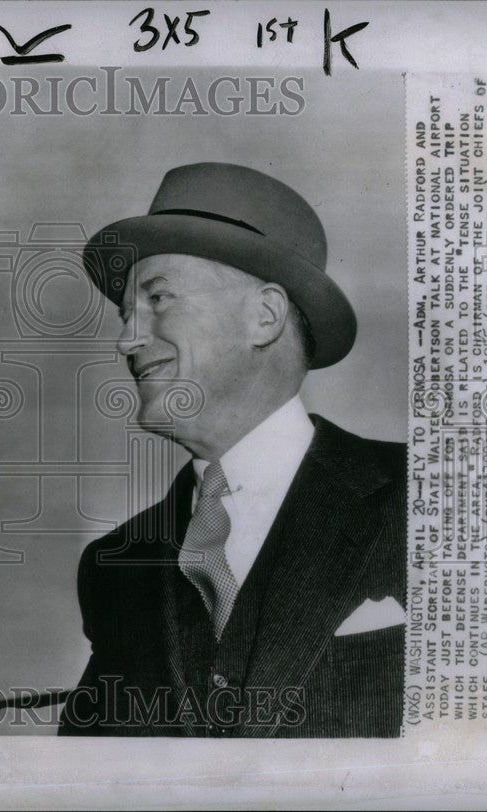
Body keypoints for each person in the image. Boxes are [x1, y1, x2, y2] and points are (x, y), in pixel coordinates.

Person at [59, 163, 406, 738]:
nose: (126, 340)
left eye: (159, 297)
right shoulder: (113, 568)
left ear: (264, 315)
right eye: (126, 314)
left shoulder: (436, 498)